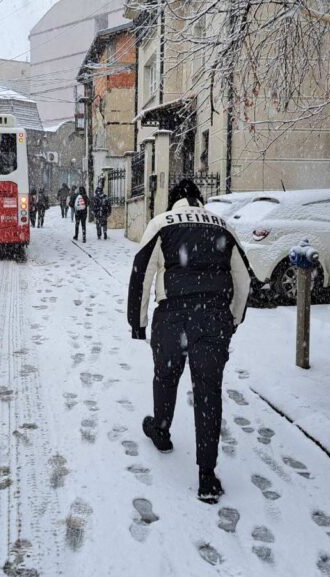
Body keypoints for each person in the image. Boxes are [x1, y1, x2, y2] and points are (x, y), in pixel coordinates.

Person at [126, 179, 252, 504]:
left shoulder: (162, 223)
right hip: (212, 316)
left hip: (173, 315)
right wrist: (234, 319)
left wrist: (138, 323)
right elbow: (243, 278)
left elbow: (142, 273)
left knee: (166, 375)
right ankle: (207, 477)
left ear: (174, 202)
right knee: (208, 391)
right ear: (199, 200)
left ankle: (162, 430)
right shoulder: (222, 226)